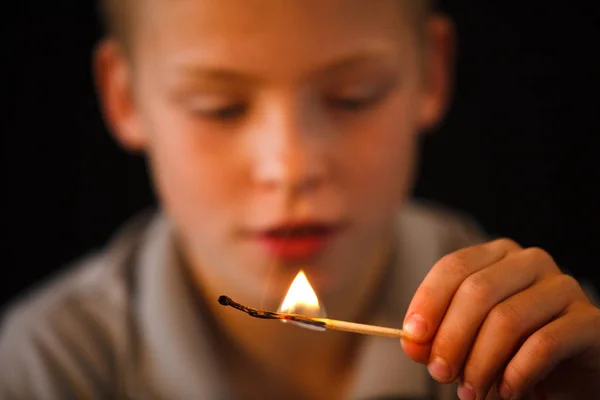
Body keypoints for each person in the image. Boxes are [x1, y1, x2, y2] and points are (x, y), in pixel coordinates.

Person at [1, 1, 599, 399]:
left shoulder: (530, 337)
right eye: (221, 108)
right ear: (125, 98)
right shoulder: (43, 370)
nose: (291, 168)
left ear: (432, 71)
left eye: (352, 98)